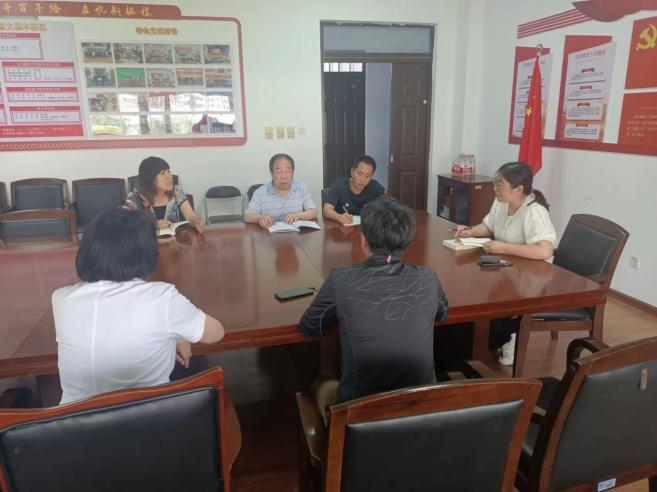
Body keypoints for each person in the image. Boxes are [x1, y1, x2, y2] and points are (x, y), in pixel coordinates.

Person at [53, 208, 224, 404]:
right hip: (149, 418)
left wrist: (171, 332)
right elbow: (215, 333)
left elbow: (110, 327)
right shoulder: (161, 297)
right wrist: (176, 334)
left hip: (73, 421)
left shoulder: (61, 299)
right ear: (146, 252)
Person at [298, 197, 448, 421]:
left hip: (360, 419)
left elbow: (311, 326)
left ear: (363, 238)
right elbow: (442, 313)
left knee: (322, 384)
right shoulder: (428, 278)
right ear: (406, 240)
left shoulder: (342, 279)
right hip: (422, 416)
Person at [455, 161, 557, 364]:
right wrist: (470, 232)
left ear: (518, 189)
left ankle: (508, 335)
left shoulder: (534, 211)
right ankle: (482, 339)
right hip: (505, 270)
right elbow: (488, 226)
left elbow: (544, 250)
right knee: (472, 291)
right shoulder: (500, 203)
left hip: (530, 279)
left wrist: (504, 248)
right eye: (496, 183)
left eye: (500, 184)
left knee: (488, 301)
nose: (495, 188)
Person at [124, 156, 204, 233]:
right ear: (150, 179)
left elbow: (190, 215)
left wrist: (195, 221)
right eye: (162, 173)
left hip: (176, 241)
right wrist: (153, 225)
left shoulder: (177, 192)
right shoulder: (134, 197)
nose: (169, 176)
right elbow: (123, 225)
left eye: (168, 171)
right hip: (147, 242)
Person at [245, 153, 317, 229]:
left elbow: (313, 212)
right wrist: (261, 217)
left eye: (287, 171)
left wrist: (297, 215)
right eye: (279, 172)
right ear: (272, 173)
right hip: (268, 234)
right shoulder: (260, 192)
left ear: (293, 173)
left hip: (295, 233)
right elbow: (247, 216)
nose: (284, 176)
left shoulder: (301, 188)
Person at [323, 155, 386, 225]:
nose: (362, 180)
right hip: (341, 228)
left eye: (367, 176)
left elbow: (389, 208)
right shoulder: (338, 185)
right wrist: (339, 217)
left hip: (365, 229)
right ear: (352, 171)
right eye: (360, 174)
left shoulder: (375, 186)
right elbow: (326, 210)